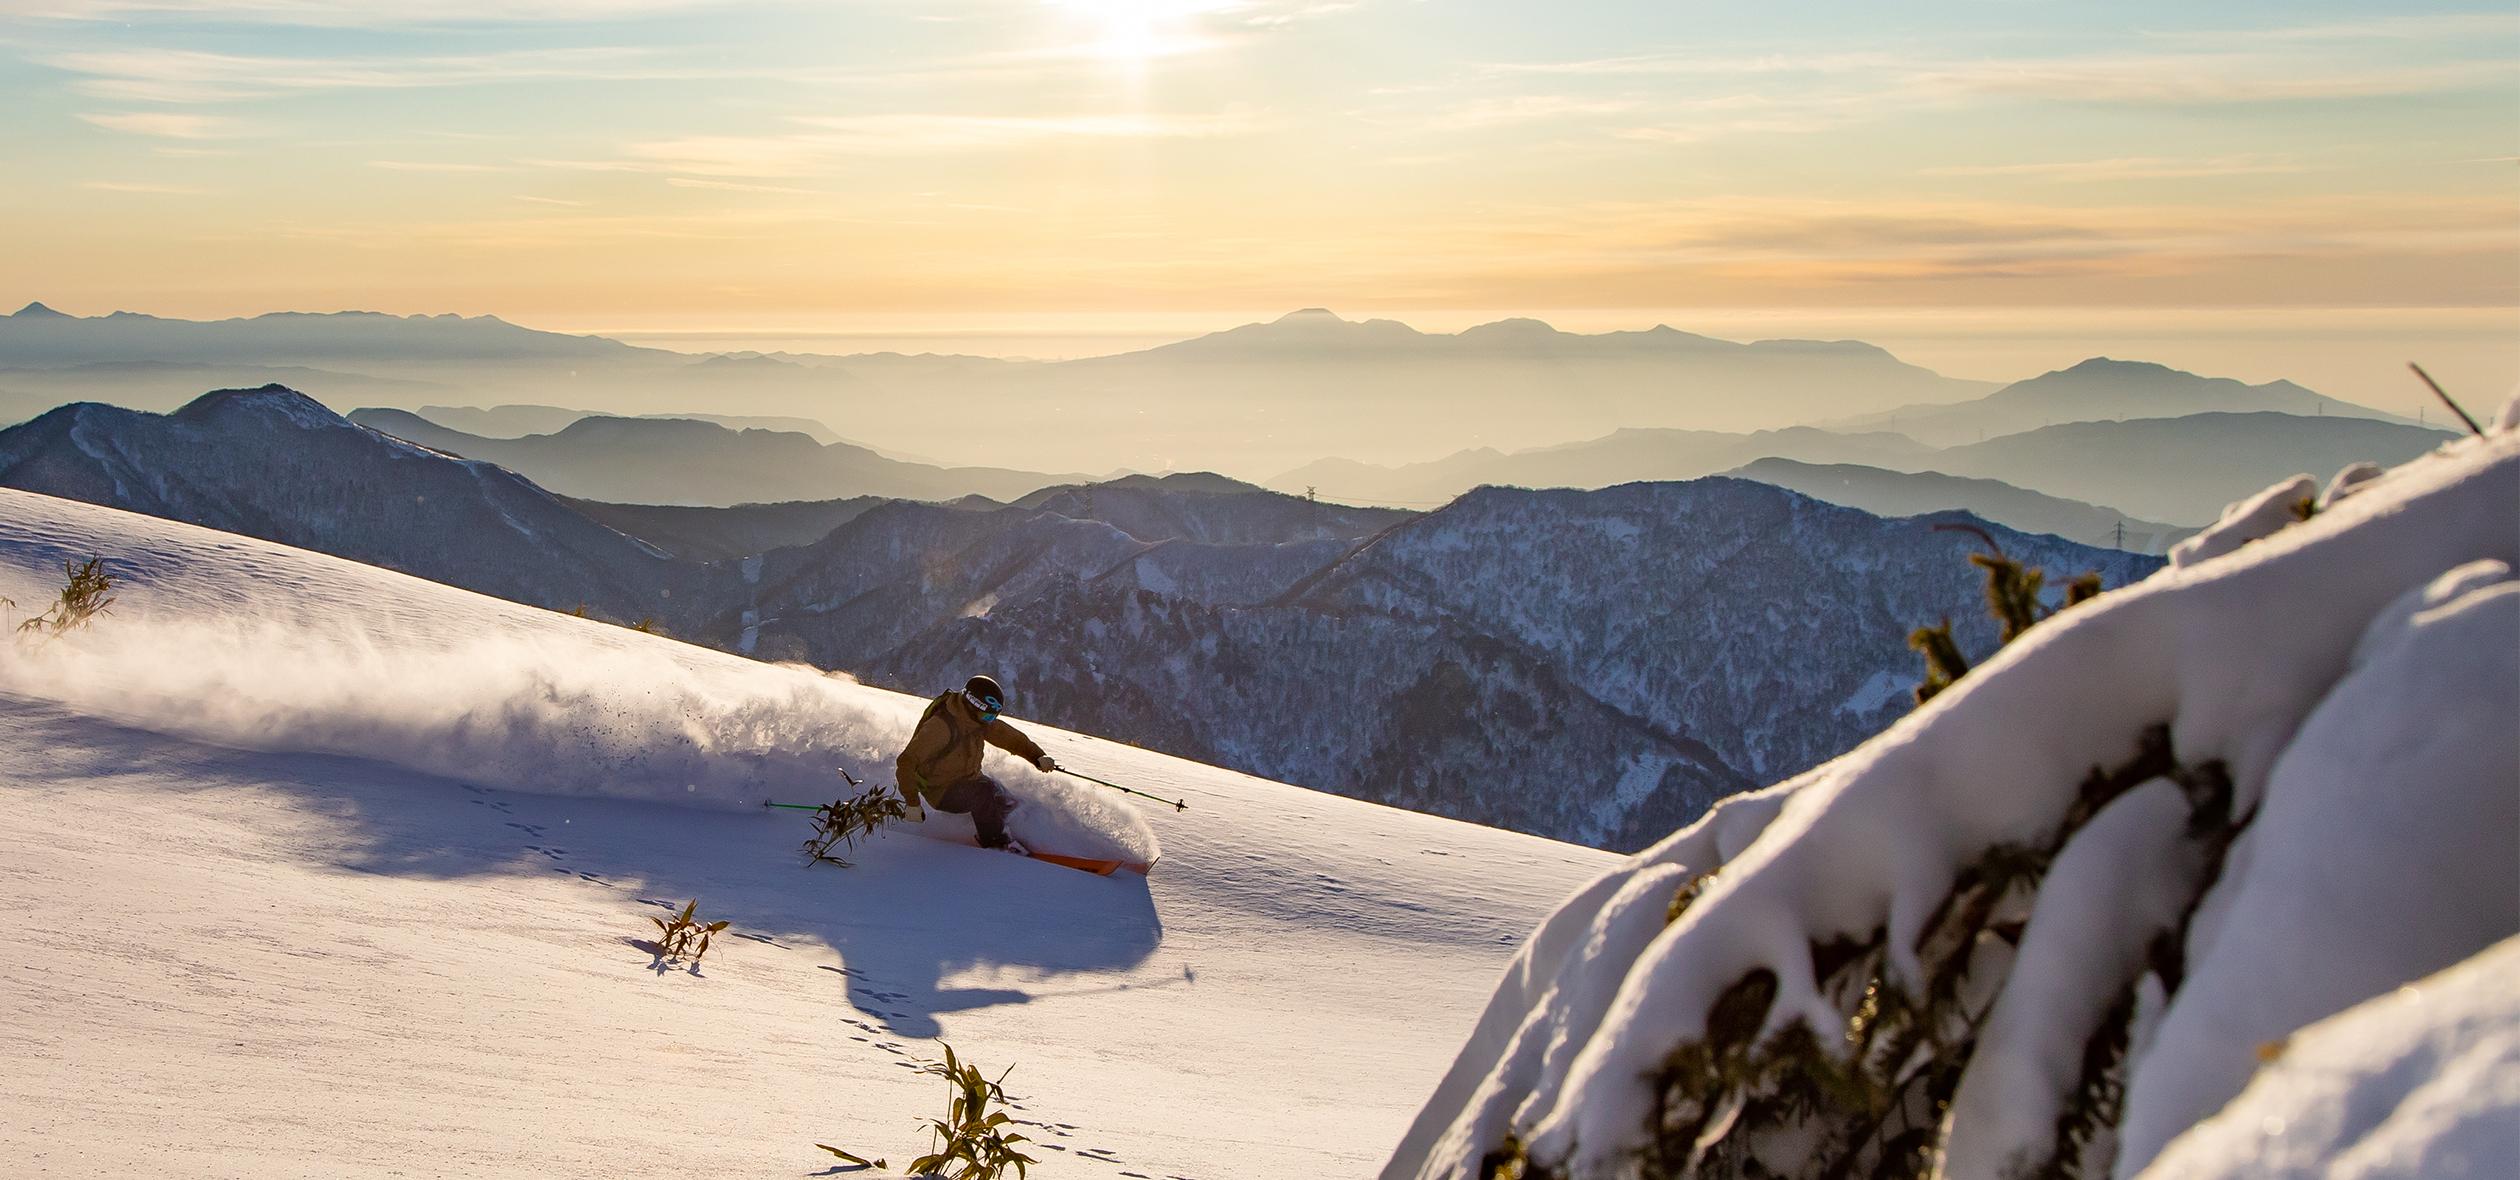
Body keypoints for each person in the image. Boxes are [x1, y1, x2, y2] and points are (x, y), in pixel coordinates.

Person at [894, 674, 1058, 853]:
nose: (990, 721)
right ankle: (996, 843)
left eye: (992, 717)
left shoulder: (977, 721)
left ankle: (1011, 833)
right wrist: (912, 803)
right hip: (941, 792)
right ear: (973, 706)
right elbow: (906, 761)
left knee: (1004, 797)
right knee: (983, 795)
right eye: (987, 716)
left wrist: (1037, 757)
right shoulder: (940, 727)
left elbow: (1010, 738)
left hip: (969, 780)